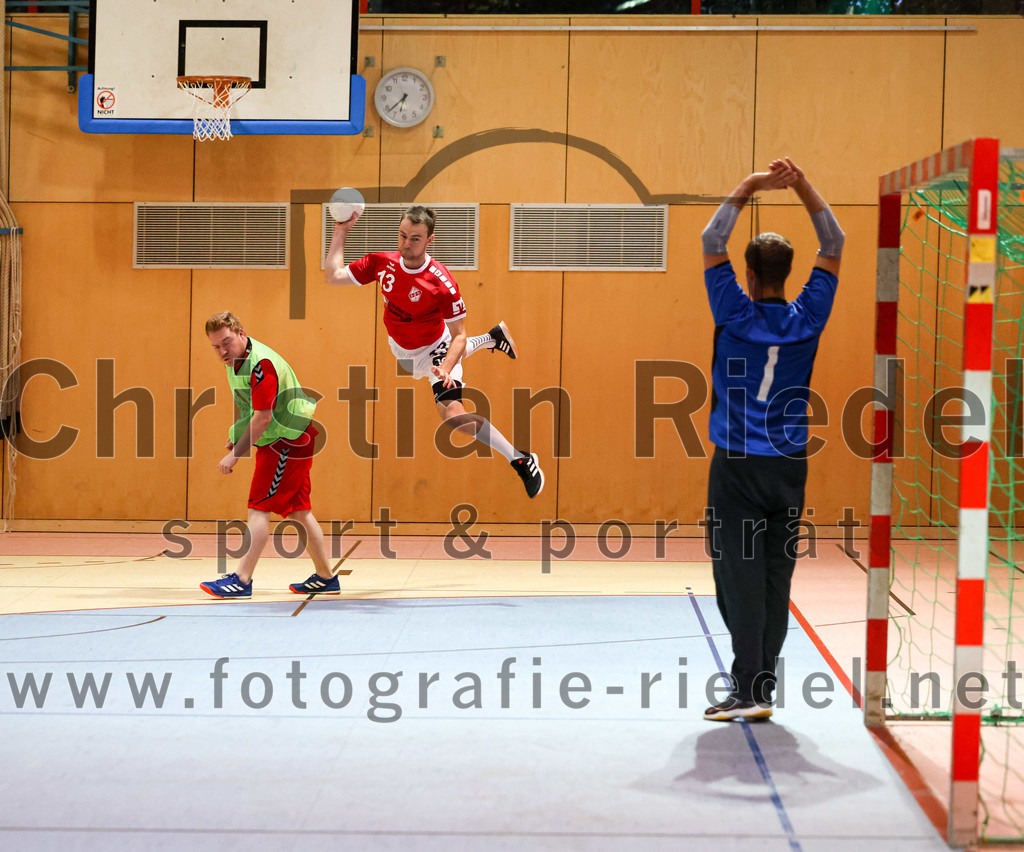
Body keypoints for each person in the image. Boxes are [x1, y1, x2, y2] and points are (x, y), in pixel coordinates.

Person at [700, 158, 844, 721]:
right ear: (785, 275)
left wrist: (751, 186)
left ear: (750, 275)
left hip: (737, 466)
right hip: (789, 465)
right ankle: (761, 684)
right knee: (774, 575)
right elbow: (833, 238)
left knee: (737, 578)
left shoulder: (732, 310)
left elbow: (712, 235)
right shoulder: (809, 314)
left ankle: (749, 690)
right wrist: (803, 184)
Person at [324, 204, 544, 497]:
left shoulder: (442, 284)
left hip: (437, 348)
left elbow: (459, 336)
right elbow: (333, 275)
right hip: (403, 349)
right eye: (402, 235)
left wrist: (447, 367)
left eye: (415, 238)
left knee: (455, 418)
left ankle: (520, 458)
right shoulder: (382, 263)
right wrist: (341, 230)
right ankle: (492, 338)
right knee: (410, 368)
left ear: (430, 239)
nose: (406, 243)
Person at [200, 312, 337, 599]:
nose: (222, 351)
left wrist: (236, 454)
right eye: (215, 346)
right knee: (300, 511)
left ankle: (242, 579)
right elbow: (252, 408)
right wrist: (238, 432)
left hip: (286, 440)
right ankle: (326, 576)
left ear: (240, 333)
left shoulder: (260, 365)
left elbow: (262, 417)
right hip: (282, 437)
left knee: (258, 508)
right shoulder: (236, 361)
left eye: (226, 342)